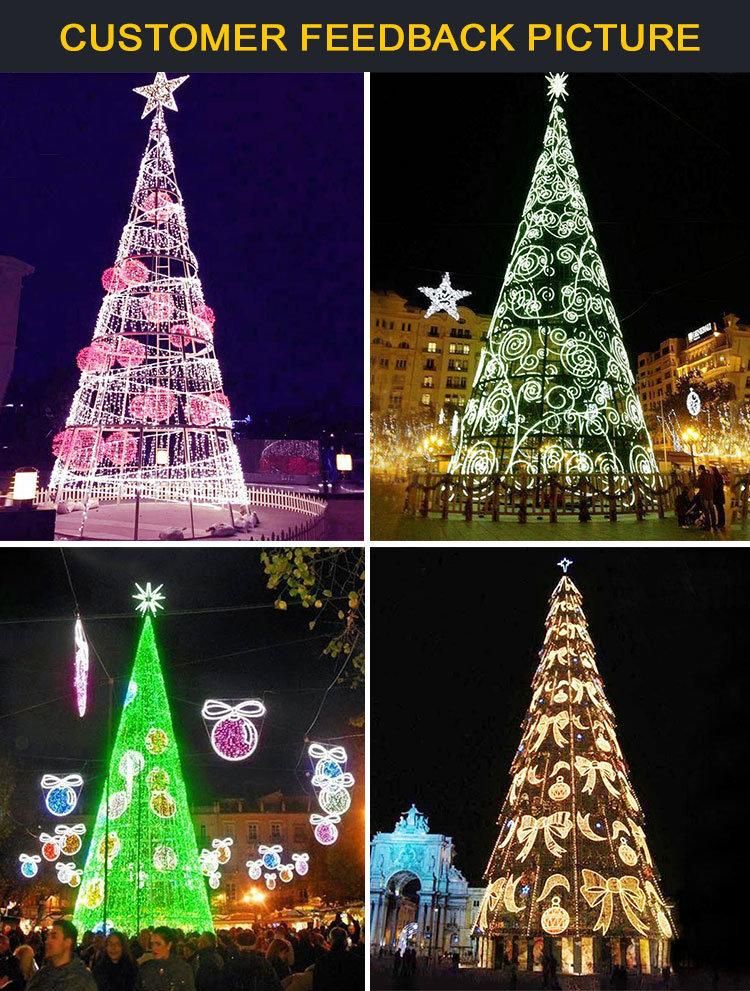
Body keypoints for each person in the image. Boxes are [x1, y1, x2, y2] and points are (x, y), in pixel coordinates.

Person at [26, 922, 97, 991]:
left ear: (68, 942)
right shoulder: (41, 976)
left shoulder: (82, 980)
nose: (47, 941)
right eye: (48, 936)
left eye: (54, 937)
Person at [697, 465, 715, 530]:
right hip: (710, 495)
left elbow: (698, 485)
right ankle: (714, 524)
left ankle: (708, 526)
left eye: (698, 470)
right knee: (712, 510)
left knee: (706, 510)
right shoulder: (710, 476)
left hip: (704, 495)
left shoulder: (701, 476)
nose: (698, 471)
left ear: (701, 469)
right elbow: (714, 485)